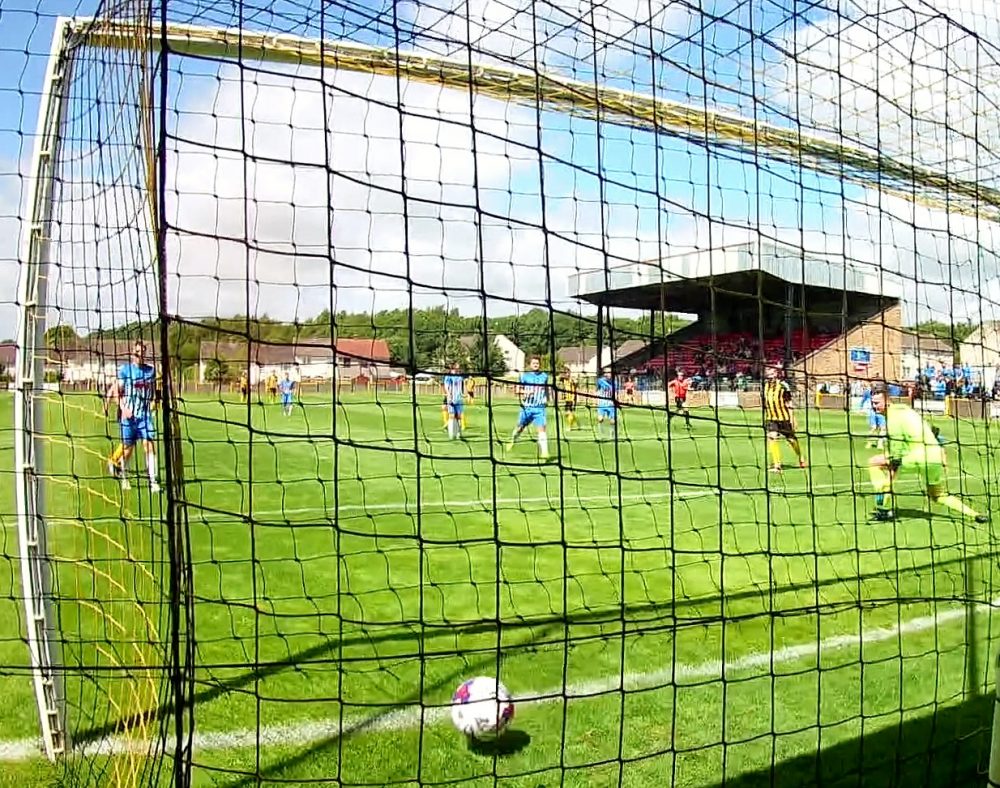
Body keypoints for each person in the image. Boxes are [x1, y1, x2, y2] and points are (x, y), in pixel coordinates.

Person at [867, 381, 987, 522]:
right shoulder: (905, 410)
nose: (874, 407)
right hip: (934, 456)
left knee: (874, 463)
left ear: (887, 399)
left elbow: (897, 447)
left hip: (917, 456)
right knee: (937, 495)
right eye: (873, 403)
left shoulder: (893, 418)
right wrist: (942, 452)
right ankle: (975, 515)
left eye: (877, 403)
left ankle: (883, 508)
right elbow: (929, 431)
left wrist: (892, 466)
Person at [107, 340, 160, 492]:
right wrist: (123, 408)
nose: (139, 355)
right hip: (128, 417)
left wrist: (154, 403)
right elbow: (117, 390)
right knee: (128, 449)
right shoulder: (125, 370)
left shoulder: (151, 371)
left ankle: (153, 481)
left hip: (144, 416)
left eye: (142, 352)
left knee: (149, 445)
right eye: (137, 352)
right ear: (133, 353)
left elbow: (154, 390)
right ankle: (124, 477)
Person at [762, 364, 806, 472]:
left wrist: (792, 418)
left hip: (784, 418)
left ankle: (800, 457)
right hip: (771, 418)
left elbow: (789, 403)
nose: (769, 376)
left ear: (776, 374)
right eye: (768, 374)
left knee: (791, 440)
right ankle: (777, 465)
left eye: (772, 373)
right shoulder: (765, 386)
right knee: (772, 437)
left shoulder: (783, 386)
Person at [507, 356, 549, 459]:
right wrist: (526, 392)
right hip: (527, 408)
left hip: (539, 409)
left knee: (542, 429)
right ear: (530, 365)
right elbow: (517, 390)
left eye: (537, 363)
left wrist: (547, 399)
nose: (536, 365)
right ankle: (512, 440)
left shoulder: (544, 376)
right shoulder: (524, 376)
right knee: (520, 428)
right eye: (534, 363)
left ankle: (545, 453)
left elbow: (547, 389)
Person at [441, 362, 465, 440]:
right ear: (453, 368)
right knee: (452, 416)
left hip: (459, 399)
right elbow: (446, 387)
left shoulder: (460, 377)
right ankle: (451, 434)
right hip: (451, 399)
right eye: (457, 367)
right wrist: (449, 395)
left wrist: (463, 394)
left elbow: (461, 386)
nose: (458, 369)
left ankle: (459, 433)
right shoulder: (448, 377)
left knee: (458, 417)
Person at [595, 370, 616, 439]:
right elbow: (597, 386)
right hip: (602, 403)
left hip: (610, 404)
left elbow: (614, 393)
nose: (609, 374)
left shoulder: (614, 383)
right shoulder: (601, 381)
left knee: (613, 421)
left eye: (610, 372)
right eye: (607, 373)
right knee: (600, 419)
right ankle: (601, 434)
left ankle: (611, 435)